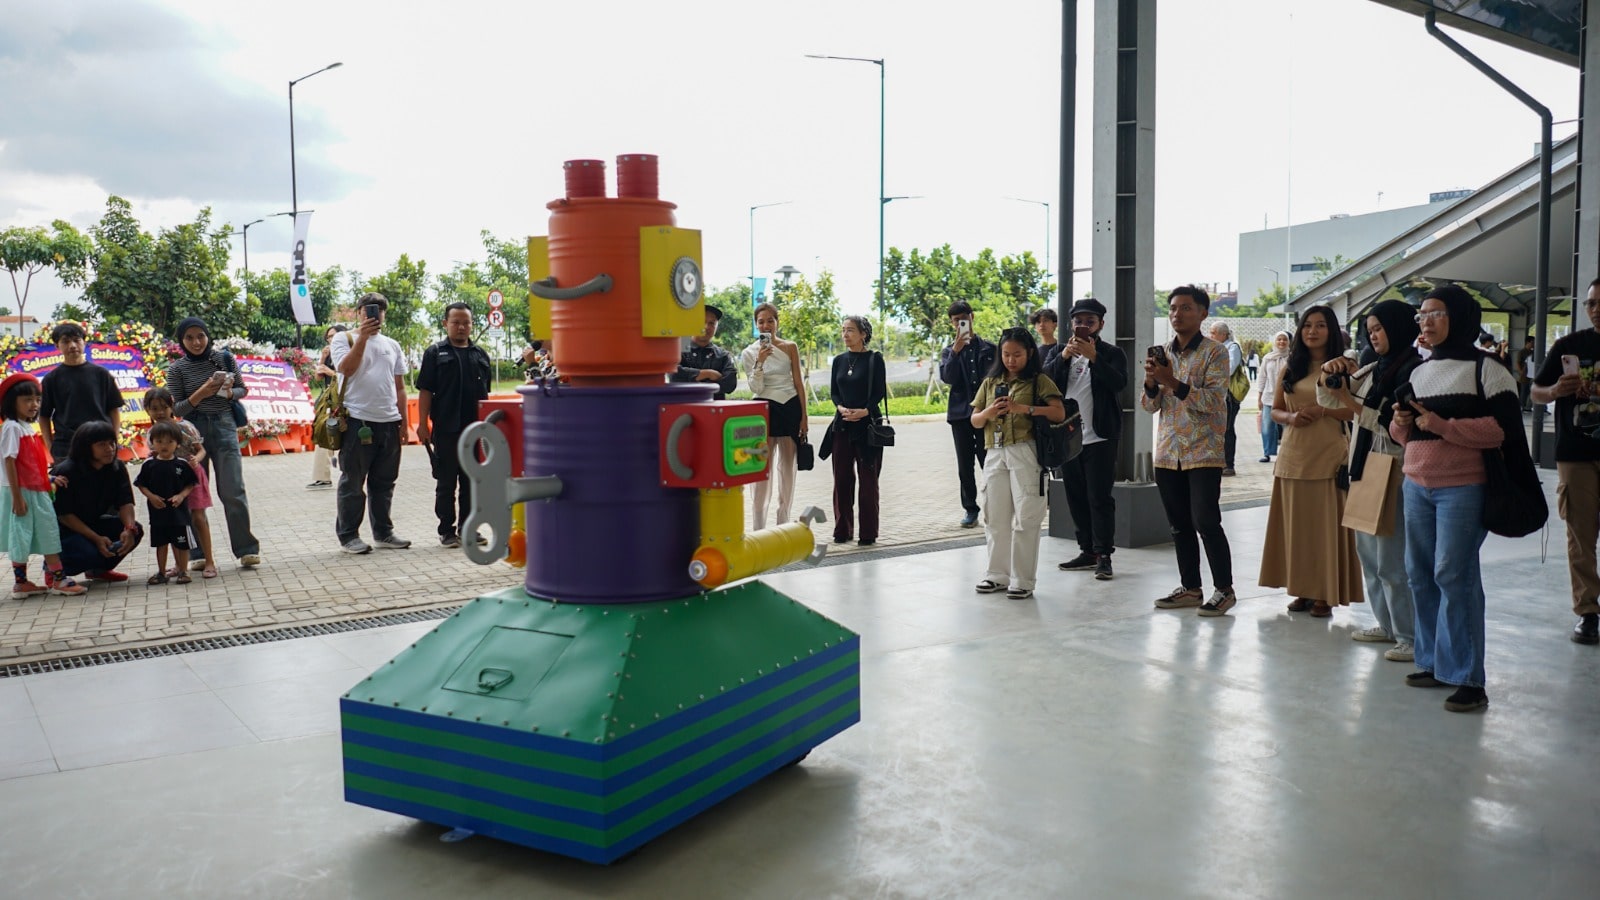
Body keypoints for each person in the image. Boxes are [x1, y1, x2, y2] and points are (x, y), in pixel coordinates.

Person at [1389, 283, 1518, 713]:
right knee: (1419, 574)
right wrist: (1401, 422)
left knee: (1453, 574)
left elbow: (1502, 431)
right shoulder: (1420, 371)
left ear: (1459, 317)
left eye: (1436, 313)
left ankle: (1467, 677)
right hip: (1416, 484)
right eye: (1422, 314)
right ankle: (1432, 662)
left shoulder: (1488, 369)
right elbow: (1404, 437)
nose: (1425, 321)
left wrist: (1443, 425)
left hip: (1463, 487)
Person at [1324, 300, 1422, 659]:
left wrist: (1348, 402)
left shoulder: (1414, 370)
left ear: (1397, 328)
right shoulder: (1372, 368)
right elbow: (1326, 395)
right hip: (1364, 466)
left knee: (1392, 560)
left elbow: (1388, 424)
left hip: (1393, 469)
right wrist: (1330, 370)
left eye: (1379, 328)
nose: (1374, 336)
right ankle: (1387, 624)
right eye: (1370, 330)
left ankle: (1409, 635)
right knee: (1367, 554)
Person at [1258, 305, 1362, 618]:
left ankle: (1324, 594)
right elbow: (1275, 409)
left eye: (1320, 325)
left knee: (1324, 529)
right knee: (1297, 529)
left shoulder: (1345, 367)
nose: (1312, 331)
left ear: (1332, 331)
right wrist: (1291, 417)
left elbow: (1356, 411)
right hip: (1293, 455)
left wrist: (1323, 411)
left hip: (1329, 455)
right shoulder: (1291, 367)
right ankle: (1302, 590)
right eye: (1307, 325)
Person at [1143, 285, 1237, 616]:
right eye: (1172, 308)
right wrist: (1152, 383)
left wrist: (1172, 382)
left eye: (1185, 308)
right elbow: (1149, 407)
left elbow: (1213, 401)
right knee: (1179, 524)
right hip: (1168, 452)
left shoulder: (1216, 352)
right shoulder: (1163, 353)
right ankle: (1191, 588)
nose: (1176, 314)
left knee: (1206, 521)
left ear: (1202, 313)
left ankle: (1224, 590)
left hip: (1203, 451)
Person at [970, 328, 1067, 600]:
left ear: (1030, 353)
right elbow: (975, 420)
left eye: (1017, 355)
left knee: (1027, 517)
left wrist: (1023, 409)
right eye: (1006, 354)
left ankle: (1023, 580)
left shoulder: (1039, 380)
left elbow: (1058, 412)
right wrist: (989, 412)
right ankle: (996, 575)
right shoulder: (990, 382)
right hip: (994, 451)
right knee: (995, 516)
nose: (1011, 360)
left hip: (1026, 450)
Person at [1531, 277, 1600, 645]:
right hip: (1576, 454)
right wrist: (1556, 390)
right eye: (1591, 303)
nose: (1596, 309)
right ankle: (1588, 611)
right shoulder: (1569, 346)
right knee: (1580, 536)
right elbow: (1535, 392)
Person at [166, 317, 262, 570]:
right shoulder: (176, 369)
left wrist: (229, 392)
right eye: (189, 338)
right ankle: (197, 553)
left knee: (233, 490)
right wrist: (202, 393)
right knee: (193, 493)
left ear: (208, 336)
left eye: (201, 336)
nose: (196, 342)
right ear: (181, 341)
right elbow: (176, 409)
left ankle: (246, 549)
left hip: (224, 426)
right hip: (192, 433)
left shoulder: (224, 359)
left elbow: (242, 389)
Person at [1048, 298, 1128, 581]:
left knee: (1099, 497)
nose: (1083, 326)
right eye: (1078, 321)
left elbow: (1119, 383)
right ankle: (1087, 551)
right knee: (1076, 496)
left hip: (1100, 436)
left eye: (1090, 322)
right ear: (1071, 324)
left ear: (1100, 325)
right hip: (1068, 437)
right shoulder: (1059, 352)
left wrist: (1094, 358)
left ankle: (1104, 554)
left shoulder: (1112, 353)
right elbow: (1044, 380)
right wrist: (1063, 357)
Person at [329, 292, 412, 554]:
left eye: (379, 310)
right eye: (368, 309)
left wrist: (404, 422)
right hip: (357, 420)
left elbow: (400, 387)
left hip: (389, 421)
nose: (374, 314)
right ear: (359, 313)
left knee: (384, 482)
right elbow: (346, 369)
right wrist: (363, 337)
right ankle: (348, 536)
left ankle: (384, 533)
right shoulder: (343, 338)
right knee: (353, 482)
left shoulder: (392, 345)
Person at [1, 372, 87, 597]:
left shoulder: (25, 427)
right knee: (27, 535)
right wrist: (17, 497)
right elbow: (9, 461)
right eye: (27, 400)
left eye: (37, 400)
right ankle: (48, 580)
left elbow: (26, 463)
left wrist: (47, 478)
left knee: (45, 532)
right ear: (11, 401)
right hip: (23, 492)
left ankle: (37, 580)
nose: (34, 404)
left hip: (35, 490)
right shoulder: (12, 427)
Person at [417, 303, 494, 548]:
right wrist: (422, 424)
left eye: (466, 322)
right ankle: (446, 530)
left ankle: (468, 528)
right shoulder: (435, 353)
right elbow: (425, 391)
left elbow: (486, 395)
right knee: (446, 482)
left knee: (472, 482)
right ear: (445, 324)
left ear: (472, 325)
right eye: (456, 322)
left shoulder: (480, 355)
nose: (461, 327)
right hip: (446, 429)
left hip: (475, 430)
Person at [741, 302, 809, 529]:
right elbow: (756, 387)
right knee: (761, 469)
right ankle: (758, 528)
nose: (766, 325)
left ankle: (783, 525)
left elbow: (798, 383)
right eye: (761, 322)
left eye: (770, 320)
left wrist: (804, 417)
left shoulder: (790, 347)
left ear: (777, 322)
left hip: (790, 408)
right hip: (763, 411)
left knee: (787, 469)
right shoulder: (749, 353)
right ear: (756, 325)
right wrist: (760, 361)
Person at [821, 315, 887, 546]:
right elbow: (834, 391)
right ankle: (843, 529)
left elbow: (879, 391)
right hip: (842, 425)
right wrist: (840, 408)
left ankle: (868, 533)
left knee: (868, 481)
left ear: (863, 334)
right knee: (841, 479)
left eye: (850, 330)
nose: (845, 334)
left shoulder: (874, 359)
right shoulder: (839, 360)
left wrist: (864, 411)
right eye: (843, 330)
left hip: (867, 426)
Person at [50, 420, 144, 581]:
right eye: (102, 445)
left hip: (94, 522)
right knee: (90, 553)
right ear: (85, 447)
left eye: (112, 443)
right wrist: (96, 539)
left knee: (136, 530)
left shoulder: (116, 467)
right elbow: (65, 515)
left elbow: (125, 502)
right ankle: (54, 569)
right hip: (64, 530)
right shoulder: (66, 471)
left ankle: (99, 570)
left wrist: (129, 529)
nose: (110, 449)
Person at [144, 387, 217, 580]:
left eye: (164, 407)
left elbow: (201, 450)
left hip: (192, 476)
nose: (160, 412)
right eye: (154, 408)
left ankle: (209, 561)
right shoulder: (152, 433)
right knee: (176, 522)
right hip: (169, 481)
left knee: (198, 518)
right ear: (147, 410)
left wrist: (196, 460)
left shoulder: (185, 427)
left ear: (172, 407)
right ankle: (179, 565)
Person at [940, 301, 997, 528]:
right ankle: (970, 509)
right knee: (965, 465)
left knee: (989, 462)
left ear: (972, 317)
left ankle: (994, 506)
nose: (960, 323)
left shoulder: (989, 348)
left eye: (964, 318)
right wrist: (955, 351)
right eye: (956, 320)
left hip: (986, 413)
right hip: (960, 415)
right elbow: (948, 378)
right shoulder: (948, 351)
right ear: (951, 323)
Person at [39, 322, 123, 463]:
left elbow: (114, 409)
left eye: (76, 340)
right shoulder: (51, 379)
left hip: (101, 443)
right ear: (57, 346)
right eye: (65, 341)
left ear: (84, 342)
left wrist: (113, 440)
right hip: (66, 446)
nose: (72, 345)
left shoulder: (101, 374)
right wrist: (50, 447)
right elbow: (44, 416)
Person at [133, 421, 198, 586]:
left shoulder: (182, 464)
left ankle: (183, 571)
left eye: (170, 441)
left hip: (179, 515)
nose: (164, 445)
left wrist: (181, 496)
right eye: (159, 441)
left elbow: (190, 483)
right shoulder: (149, 465)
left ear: (177, 443)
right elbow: (141, 484)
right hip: (158, 515)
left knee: (182, 544)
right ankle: (161, 572)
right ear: (152, 443)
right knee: (161, 544)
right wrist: (151, 497)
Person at [307, 324, 346, 489]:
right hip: (330, 401)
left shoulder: (347, 352)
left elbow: (350, 376)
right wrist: (323, 359)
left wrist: (332, 373)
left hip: (345, 400)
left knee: (341, 436)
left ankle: (348, 474)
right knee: (324, 432)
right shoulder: (329, 354)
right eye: (328, 337)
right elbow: (317, 377)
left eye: (333, 336)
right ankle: (322, 477)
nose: (330, 340)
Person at [670, 305, 737, 400]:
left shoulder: (722, 355)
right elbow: (674, 375)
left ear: (716, 327)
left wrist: (692, 379)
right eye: (702, 322)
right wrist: (709, 374)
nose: (706, 327)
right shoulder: (679, 347)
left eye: (711, 323)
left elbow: (730, 384)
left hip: (715, 407)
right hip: (684, 406)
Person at [1208, 321, 1245, 475]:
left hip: (1228, 396)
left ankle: (1229, 464)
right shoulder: (1213, 348)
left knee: (1227, 429)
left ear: (1223, 334)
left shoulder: (1232, 347)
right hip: (1216, 394)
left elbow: (1228, 370)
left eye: (1213, 333)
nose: (1210, 336)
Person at [1257, 331, 1291, 463]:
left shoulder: (1292, 358)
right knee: (1267, 426)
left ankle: (1287, 452)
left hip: (1287, 397)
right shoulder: (1268, 358)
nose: (1282, 342)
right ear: (1275, 342)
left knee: (1287, 425)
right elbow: (1262, 377)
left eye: (1284, 339)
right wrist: (1259, 396)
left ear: (1288, 342)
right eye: (1279, 339)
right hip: (1269, 396)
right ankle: (1267, 452)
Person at [1515, 335, 1536, 411]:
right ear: (1528, 342)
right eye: (1533, 342)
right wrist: (1520, 372)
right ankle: (1522, 406)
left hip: (1532, 374)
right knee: (1524, 391)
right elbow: (1518, 362)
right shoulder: (1522, 352)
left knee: (1532, 391)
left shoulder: (1534, 352)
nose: (1534, 344)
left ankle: (1528, 406)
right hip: (1525, 374)